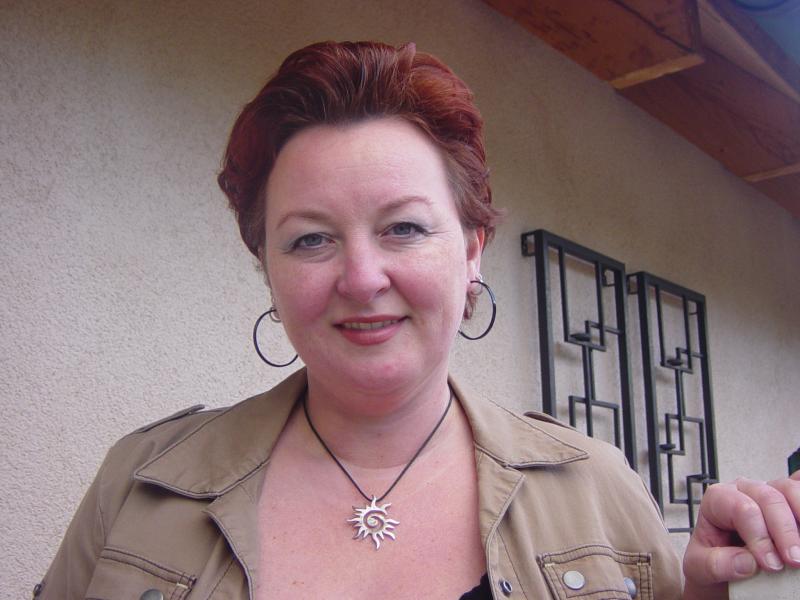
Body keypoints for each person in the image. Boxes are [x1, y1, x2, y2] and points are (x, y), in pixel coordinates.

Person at [36, 40, 799, 600]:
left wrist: (716, 588)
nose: (362, 278)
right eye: (310, 239)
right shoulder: (140, 487)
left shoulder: (599, 489)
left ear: (471, 251)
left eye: (403, 227)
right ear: (266, 266)